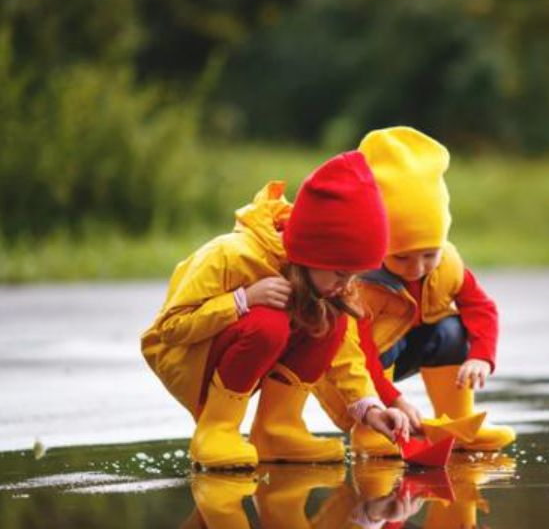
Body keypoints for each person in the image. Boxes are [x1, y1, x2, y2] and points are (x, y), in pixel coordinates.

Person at [141, 151, 409, 469]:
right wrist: (242, 299)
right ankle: (216, 431)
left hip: (239, 350)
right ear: (312, 255)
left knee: (331, 322)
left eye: (354, 275)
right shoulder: (230, 255)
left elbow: (346, 355)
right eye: (340, 273)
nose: (345, 283)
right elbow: (169, 328)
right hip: (188, 356)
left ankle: (276, 431)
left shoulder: (327, 283)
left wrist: (370, 408)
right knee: (269, 323)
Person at [314, 127, 515, 457]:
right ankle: (374, 429)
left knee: (453, 331)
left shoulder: (447, 263)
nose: (417, 268)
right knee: (385, 345)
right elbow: (360, 357)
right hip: (358, 375)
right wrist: (393, 401)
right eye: (402, 257)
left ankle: (458, 423)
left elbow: (482, 307)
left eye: (428, 254)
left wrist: (481, 355)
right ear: (380, 243)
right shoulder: (359, 283)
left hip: (406, 346)